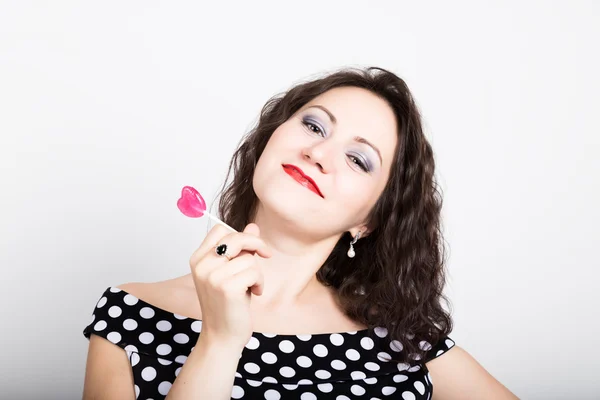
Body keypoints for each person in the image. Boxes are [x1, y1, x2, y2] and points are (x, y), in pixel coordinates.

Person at [82, 66, 519, 399]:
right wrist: (220, 340)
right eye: (313, 126)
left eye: (358, 159)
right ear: (270, 140)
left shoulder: (401, 339)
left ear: (368, 220)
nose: (319, 153)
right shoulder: (129, 314)